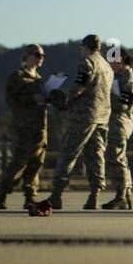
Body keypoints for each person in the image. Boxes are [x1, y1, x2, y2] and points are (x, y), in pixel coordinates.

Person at [45, 34, 113, 210]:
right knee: (96, 156)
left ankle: (56, 194)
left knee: (68, 153)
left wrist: (65, 99)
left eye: (81, 48)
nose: (81, 51)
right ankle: (95, 195)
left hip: (84, 116)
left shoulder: (87, 63)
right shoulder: (107, 66)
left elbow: (79, 86)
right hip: (102, 116)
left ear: (86, 47)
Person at [0, 44, 48, 210]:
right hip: (23, 126)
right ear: (27, 56)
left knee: (36, 162)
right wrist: (32, 99)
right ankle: (2, 195)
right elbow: (11, 99)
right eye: (37, 55)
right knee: (19, 161)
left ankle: (30, 197)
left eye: (42, 56)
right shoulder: (17, 76)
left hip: (40, 126)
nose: (41, 58)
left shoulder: (40, 79)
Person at [102, 50, 133, 210]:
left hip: (120, 122)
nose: (110, 65)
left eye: (112, 62)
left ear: (122, 61)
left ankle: (121, 197)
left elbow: (123, 105)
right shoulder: (118, 78)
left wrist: (106, 95)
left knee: (115, 158)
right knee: (121, 159)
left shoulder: (128, 80)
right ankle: (126, 196)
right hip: (115, 122)